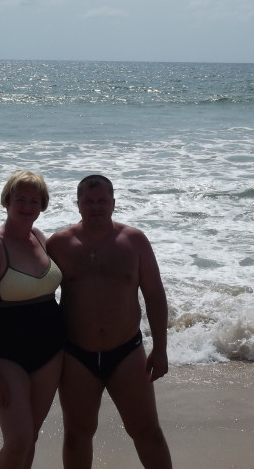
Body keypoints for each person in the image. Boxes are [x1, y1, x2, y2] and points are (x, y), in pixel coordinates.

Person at [47, 174, 173, 469]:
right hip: (76, 355)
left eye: (102, 200)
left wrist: (161, 349)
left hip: (127, 352)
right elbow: (39, 298)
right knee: (77, 435)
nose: (96, 207)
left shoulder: (134, 241)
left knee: (147, 431)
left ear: (113, 203)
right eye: (89, 201)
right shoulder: (59, 244)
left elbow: (155, 295)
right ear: (78, 204)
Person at [0, 170, 65, 469]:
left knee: (31, 437)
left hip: (50, 350)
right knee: (18, 441)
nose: (27, 206)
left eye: (34, 201)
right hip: (7, 355)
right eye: (20, 199)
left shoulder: (40, 237)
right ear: (7, 201)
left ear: (42, 205)